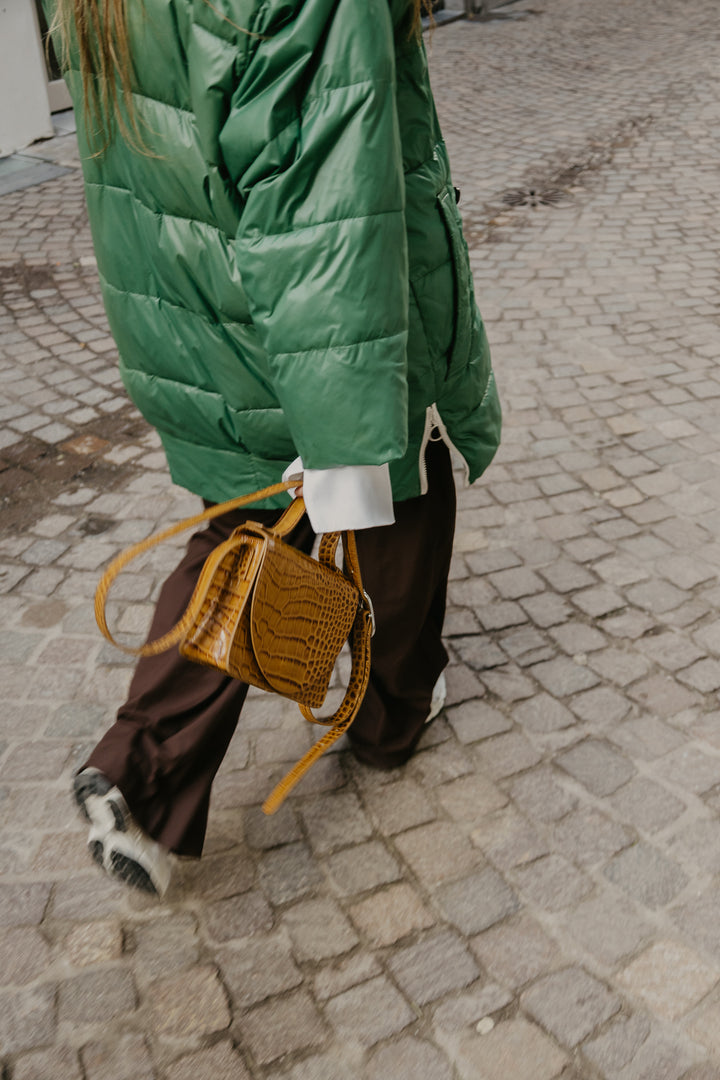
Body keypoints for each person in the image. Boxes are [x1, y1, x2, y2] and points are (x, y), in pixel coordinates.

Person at [47, 0, 501, 895]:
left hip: (188, 294)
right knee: (401, 486)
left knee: (254, 523)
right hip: (305, 309)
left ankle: (139, 771)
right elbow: (318, 203)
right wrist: (346, 431)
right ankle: (390, 716)